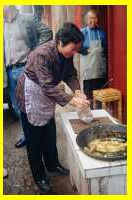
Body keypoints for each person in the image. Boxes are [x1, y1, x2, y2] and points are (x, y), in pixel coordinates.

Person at [15, 22, 89, 194]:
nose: (74, 53)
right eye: (73, 49)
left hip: (46, 94)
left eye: (76, 50)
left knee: (49, 133)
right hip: (32, 94)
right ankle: (39, 176)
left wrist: (77, 91)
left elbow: (70, 74)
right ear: (60, 42)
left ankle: (53, 164)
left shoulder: (66, 54)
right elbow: (47, 87)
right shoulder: (42, 55)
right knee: (34, 140)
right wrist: (72, 100)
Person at [4, 6, 53, 148]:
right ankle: (28, 135)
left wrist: (36, 51)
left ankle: (41, 138)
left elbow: (47, 32)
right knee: (17, 107)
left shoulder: (27, 18)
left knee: (35, 106)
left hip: (26, 68)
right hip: (8, 70)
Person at [80, 9, 107, 105]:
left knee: (100, 95)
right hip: (88, 72)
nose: (93, 20)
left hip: (100, 71)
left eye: (95, 18)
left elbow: (106, 48)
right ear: (86, 20)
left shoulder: (102, 33)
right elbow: (76, 47)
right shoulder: (82, 33)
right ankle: (89, 114)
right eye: (90, 18)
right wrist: (83, 50)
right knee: (88, 97)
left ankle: (100, 113)